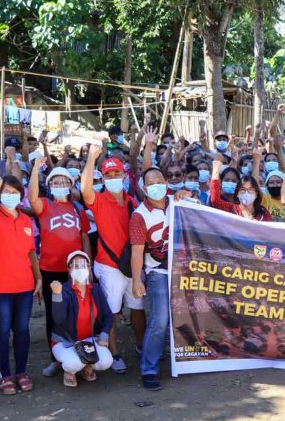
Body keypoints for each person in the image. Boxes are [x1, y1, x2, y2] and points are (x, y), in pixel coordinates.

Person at [29, 159, 91, 377]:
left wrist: (88, 267)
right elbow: (32, 198)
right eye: (55, 181)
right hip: (50, 269)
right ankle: (57, 358)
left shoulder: (77, 209)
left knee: (78, 313)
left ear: (71, 184)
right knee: (55, 315)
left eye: (64, 181)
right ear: (49, 185)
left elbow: (84, 239)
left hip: (75, 270)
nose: (60, 184)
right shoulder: (45, 205)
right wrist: (35, 169)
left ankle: (82, 357)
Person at [81, 145, 140, 372]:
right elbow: (85, 189)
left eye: (117, 174)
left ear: (124, 176)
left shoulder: (132, 202)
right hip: (109, 266)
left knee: (138, 308)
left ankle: (142, 346)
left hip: (132, 266)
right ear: (103, 177)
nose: (113, 177)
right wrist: (91, 159)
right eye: (108, 175)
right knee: (111, 312)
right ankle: (114, 354)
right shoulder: (98, 200)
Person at [0, 173, 41, 394]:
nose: (10, 196)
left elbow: (30, 251)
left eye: (14, 192)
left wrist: (38, 277)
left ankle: (22, 372)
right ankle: (5, 374)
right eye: (5, 191)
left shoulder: (25, 219)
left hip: (24, 285)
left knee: (22, 330)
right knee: (2, 330)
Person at [131, 167, 179, 391]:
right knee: (159, 319)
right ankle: (149, 369)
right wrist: (136, 280)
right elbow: (137, 251)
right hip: (157, 272)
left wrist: (188, 196)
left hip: (183, 270)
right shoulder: (139, 215)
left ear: (167, 181)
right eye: (151, 183)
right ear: (144, 187)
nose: (156, 186)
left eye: (160, 180)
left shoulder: (178, 203)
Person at [49, 251, 115, 387]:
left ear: (89, 268)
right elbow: (58, 319)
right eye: (75, 265)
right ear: (69, 269)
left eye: (84, 265)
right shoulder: (64, 290)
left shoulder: (95, 289)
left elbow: (108, 315)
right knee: (74, 363)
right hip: (66, 342)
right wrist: (56, 295)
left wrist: (104, 334)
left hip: (89, 339)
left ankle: (87, 366)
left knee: (106, 361)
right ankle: (70, 371)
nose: (80, 269)